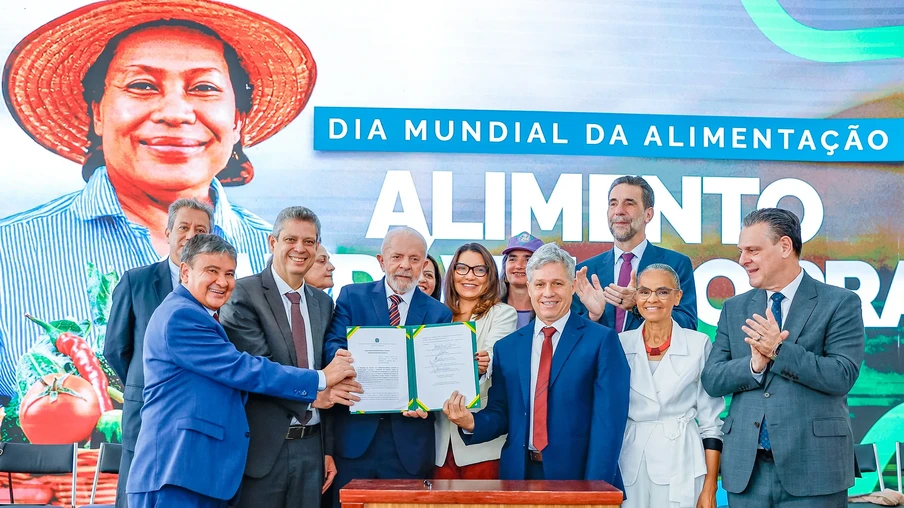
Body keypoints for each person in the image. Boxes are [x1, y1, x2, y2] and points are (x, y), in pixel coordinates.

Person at [0, 0, 317, 397]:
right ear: (97, 113)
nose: (174, 112)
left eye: (203, 87)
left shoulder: (277, 253)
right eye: (142, 85)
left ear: (237, 121)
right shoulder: (8, 249)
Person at [127, 234, 358, 508]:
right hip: (177, 473)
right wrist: (320, 378)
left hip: (199, 473)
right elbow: (242, 369)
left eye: (229, 273)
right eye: (211, 271)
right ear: (186, 272)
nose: (222, 282)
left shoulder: (198, 314)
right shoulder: (181, 315)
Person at [701, 208, 865, 508]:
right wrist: (753, 366)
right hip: (746, 472)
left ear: (785, 247)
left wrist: (779, 351)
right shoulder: (734, 308)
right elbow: (712, 379)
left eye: (753, 250)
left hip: (815, 471)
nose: (743, 260)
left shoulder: (840, 303)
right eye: (741, 251)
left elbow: (842, 375)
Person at [443, 243, 629, 488]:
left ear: (573, 286)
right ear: (529, 288)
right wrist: (470, 422)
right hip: (519, 476)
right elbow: (501, 412)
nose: (548, 293)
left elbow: (609, 426)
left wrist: (597, 490)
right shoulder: (508, 347)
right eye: (540, 284)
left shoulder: (602, 341)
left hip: (579, 480)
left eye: (557, 283)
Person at [220, 208, 357, 508]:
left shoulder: (323, 302)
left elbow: (329, 373)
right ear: (272, 242)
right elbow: (259, 369)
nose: (300, 248)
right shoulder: (243, 293)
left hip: (312, 449)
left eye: (309, 242)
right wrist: (313, 396)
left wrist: (327, 449)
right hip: (263, 451)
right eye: (291, 239)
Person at [323, 226, 453, 503]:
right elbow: (332, 343)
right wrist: (345, 359)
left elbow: (440, 373)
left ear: (424, 264)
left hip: (409, 447)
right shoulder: (351, 296)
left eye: (415, 259)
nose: (405, 265)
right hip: (355, 441)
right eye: (397, 257)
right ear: (382, 261)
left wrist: (428, 400)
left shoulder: (438, 313)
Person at [103, 198, 212, 508]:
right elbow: (116, 348)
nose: (191, 235)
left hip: (199, 419)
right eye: (184, 227)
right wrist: (148, 382)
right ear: (167, 232)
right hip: (146, 413)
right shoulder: (136, 281)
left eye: (200, 229)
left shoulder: (221, 287)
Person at [618, 264, 724, 508]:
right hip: (631, 459)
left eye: (663, 292)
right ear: (636, 297)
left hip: (682, 460)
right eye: (644, 292)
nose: (652, 299)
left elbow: (711, 422)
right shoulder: (620, 344)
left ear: (677, 297)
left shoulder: (698, 344)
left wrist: (710, 487)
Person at [434, 243, 517, 479]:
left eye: (479, 270)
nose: (469, 276)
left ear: (490, 276)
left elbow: (491, 356)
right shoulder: (436, 314)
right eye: (462, 268)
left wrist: (481, 364)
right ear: (452, 273)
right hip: (438, 444)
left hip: (482, 445)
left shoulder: (502, 313)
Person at [572, 175, 697, 332]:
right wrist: (593, 316)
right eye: (613, 204)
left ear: (648, 215)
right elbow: (570, 334)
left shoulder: (676, 264)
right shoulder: (586, 272)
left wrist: (639, 305)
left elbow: (688, 325)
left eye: (629, 203)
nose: (619, 211)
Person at [499, 232, 543, 329]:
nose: (519, 265)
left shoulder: (551, 312)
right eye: (512, 259)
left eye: (528, 260)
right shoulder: (489, 309)